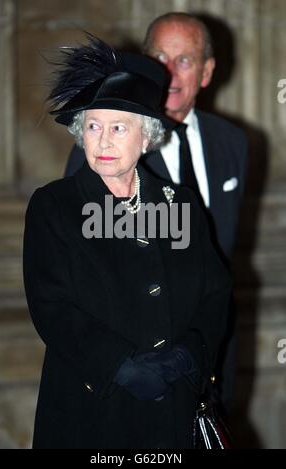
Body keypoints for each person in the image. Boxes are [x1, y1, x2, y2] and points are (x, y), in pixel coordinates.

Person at [23, 33, 232, 449]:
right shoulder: (55, 206)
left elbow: (216, 293)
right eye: (93, 127)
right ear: (81, 135)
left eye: (119, 128)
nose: (103, 141)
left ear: (146, 137)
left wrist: (189, 354)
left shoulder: (181, 204)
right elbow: (51, 305)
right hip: (92, 408)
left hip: (174, 407)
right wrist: (119, 366)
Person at [64, 14, 248, 412]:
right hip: (132, 372)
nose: (170, 71)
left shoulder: (234, 144)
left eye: (185, 60)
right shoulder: (102, 147)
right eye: (159, 57)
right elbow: (80, 268)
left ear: (207, 72)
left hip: (210, 358)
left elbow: (224, 262)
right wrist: (128, 367)